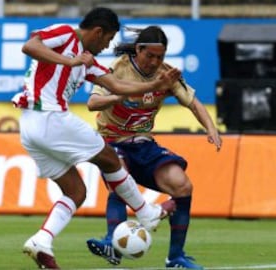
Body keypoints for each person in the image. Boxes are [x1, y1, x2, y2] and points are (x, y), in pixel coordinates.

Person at [11, 8, 180, 270]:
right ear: (98, 32)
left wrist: (153, 86)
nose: (107, 46)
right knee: (110, 159)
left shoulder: (88, 62)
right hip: (49, 117)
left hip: (32, 129)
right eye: (107, 39)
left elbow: (117, 86)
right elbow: (30, 45)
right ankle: (147, 214)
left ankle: (42, 241)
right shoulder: (66, 34)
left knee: (76, 191)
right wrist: (69, 62)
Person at [86, 26, 222, 269]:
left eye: (160, 57)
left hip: (144, 144)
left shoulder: (167, 75)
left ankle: (176, 258)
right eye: (150, 56)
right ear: (138, 50)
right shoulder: (117, 70)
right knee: (119, 175)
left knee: (183, 185)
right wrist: (118, 97)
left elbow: (194, 103)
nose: (155, 62)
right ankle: (111, 241)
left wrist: (211, 128)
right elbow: (93, 103)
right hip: (112, 142)